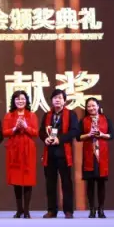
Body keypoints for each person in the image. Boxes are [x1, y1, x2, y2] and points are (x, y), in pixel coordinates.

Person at [39, 89, 79, 219]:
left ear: (64, 100)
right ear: (51, 100)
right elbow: (41, 131)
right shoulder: (47, 115)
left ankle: (68, 211)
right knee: (50, 183)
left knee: (66, 183)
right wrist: (45, 138)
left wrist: (59, 139)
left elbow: (74, 131)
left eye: (60, 98)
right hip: (49, 153)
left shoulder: (71, 114)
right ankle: (52, 210)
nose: (57, 100)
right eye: (55, 98)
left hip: (64, 153)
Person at [3, 90, 38, 218]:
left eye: (22, 99)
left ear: (26, 100)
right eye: (17, 99)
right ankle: (19, 210)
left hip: (28, 150)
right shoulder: (9, 115)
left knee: (28, 179)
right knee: (16, 180)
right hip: (14, 150)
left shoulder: (32, 115)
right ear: (13, 101)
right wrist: (15, 128)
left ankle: (27, 211)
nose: (20, 101)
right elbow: (4, 132)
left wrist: (26, 126)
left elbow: (35, 132)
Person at [78, 98, 114, 219]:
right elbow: (78, 137)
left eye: (93, 106)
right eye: (89, 106)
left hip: (101, 155)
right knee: (90, 183)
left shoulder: (106, 119)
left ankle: (101, 209)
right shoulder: (83, 120)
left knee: (101, 183)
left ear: (98, 106)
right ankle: (92, 209)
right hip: (89, 154)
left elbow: (112, 135)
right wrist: (89, 135)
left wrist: (102, 134)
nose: (91, 108)